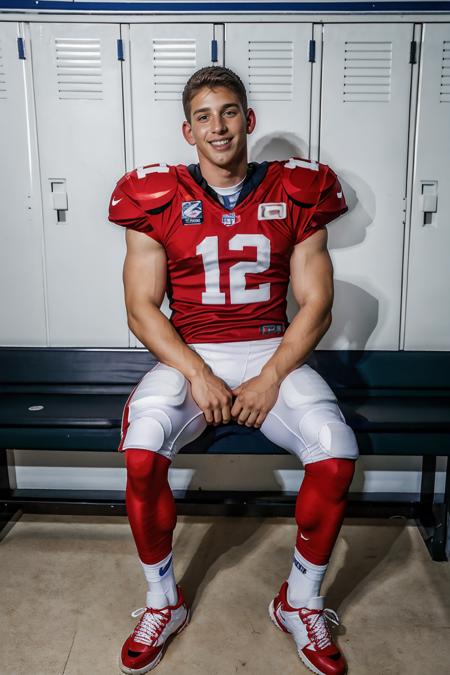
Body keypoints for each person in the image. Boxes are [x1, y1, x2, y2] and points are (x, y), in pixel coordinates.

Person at [108, 65, 359, 675]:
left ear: (248, 120)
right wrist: (197, 373)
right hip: (190, 350)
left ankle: (300, 603)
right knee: (141, 451)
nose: (217, 126)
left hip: (270, 346)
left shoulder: (298, 191)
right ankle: (162, 600)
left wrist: (270, 377)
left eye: (227, 113)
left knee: (336, 450)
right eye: (203, 116)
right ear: (187, 130)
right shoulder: (155, 194)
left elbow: (317, 305)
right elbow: (141, 309)